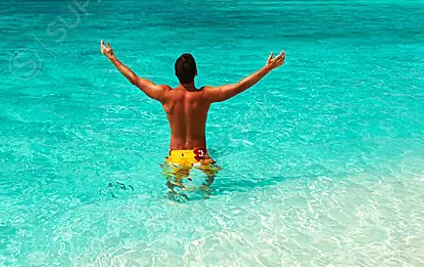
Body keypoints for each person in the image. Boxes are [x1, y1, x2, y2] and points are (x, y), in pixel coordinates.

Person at [99, 41, 285, 189]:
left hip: (176, 155)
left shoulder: (165, 95)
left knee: (173, 191)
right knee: (209, 187)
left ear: (175, 74)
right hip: (200, 154)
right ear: (196, 73)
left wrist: (112, 58)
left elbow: (135, 80)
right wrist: (266, 69)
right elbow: (239, 87)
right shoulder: (204, 96)